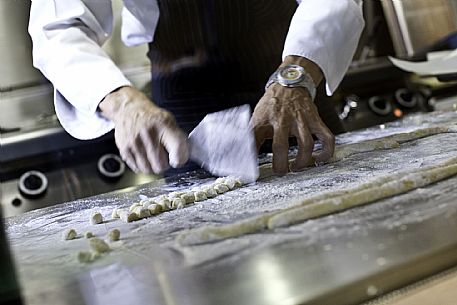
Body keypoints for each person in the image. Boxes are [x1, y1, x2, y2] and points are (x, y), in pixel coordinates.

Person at [28, 0, 364, 176]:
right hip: (183, 122)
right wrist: (122, 102)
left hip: (296, 92)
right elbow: (58, 28)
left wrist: (294, 78)